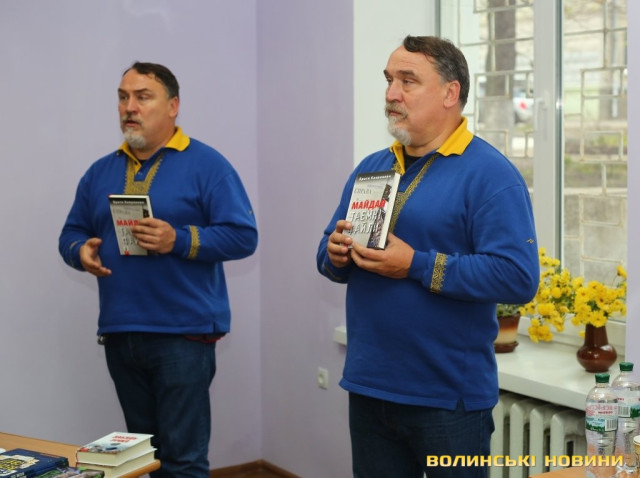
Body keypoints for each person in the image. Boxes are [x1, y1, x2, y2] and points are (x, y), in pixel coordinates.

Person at [316, 36, 539, 478]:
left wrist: (415, 264)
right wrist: (336, 252)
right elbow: (327, 257)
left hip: (448, 400)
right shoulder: (372, 167)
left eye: (408, 81)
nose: (391, 94)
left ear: (450, 93)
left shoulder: (491, 174)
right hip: (369, 386)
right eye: (389, 80)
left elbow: (517, 277)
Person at [59, 62, 258, 477]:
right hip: (120, 335)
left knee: (182, 461)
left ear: (173, 106)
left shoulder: (208, 165)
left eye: (142, 97)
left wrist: (178, 240)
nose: (129, 107)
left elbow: (243, 236)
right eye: (123, 97)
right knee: (144, 460)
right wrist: (81, 252)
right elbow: (71, 233)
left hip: (183, 336)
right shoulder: (100, 171)